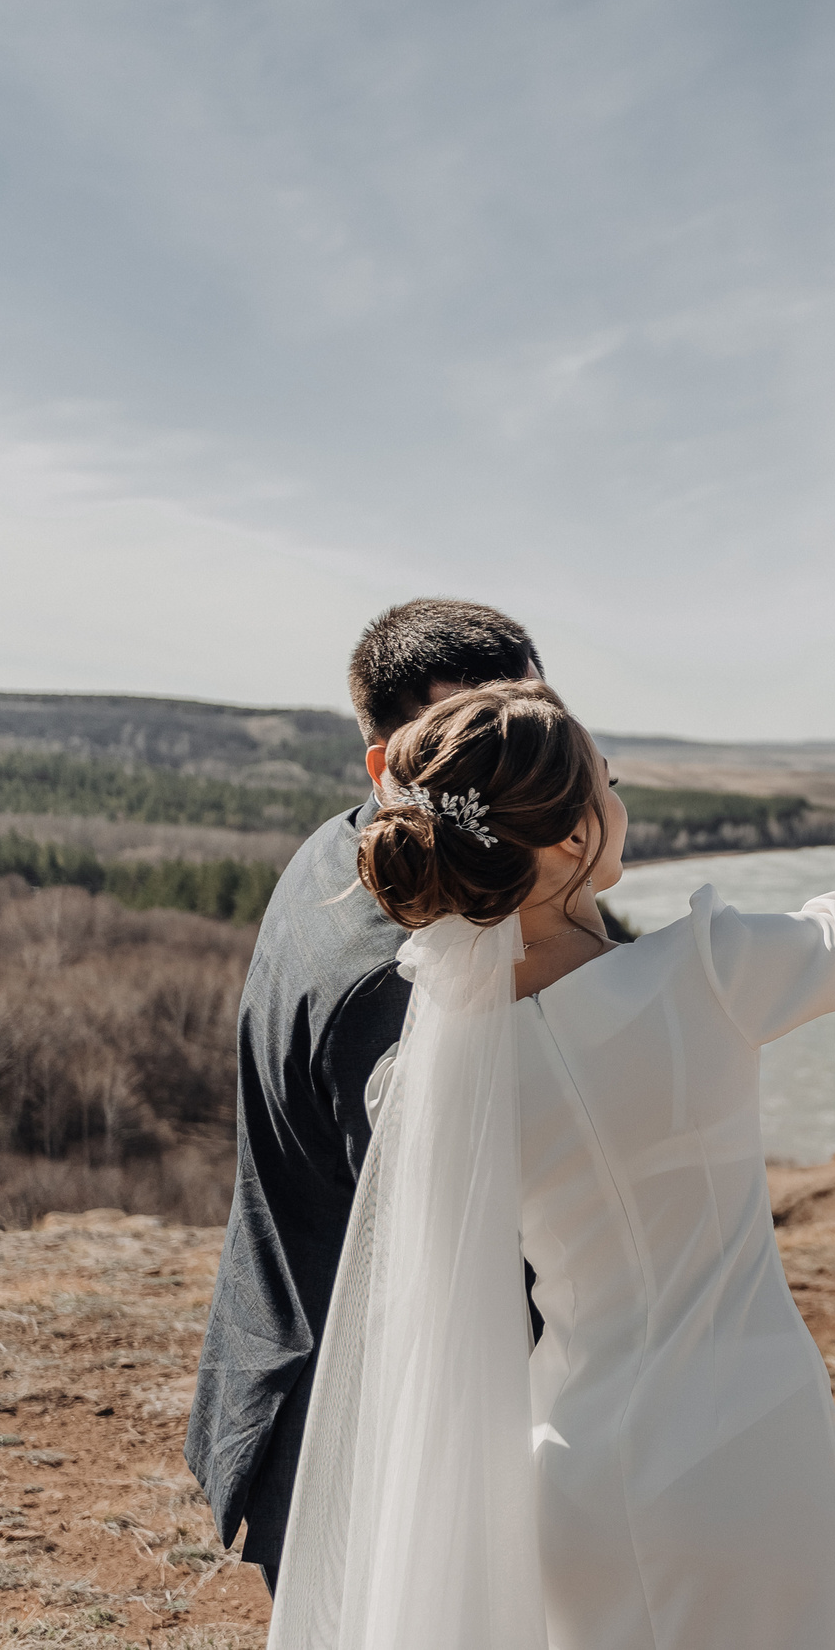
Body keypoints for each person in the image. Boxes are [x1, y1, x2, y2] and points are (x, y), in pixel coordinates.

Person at [265, 679, 835, 1650]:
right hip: (748, 1460)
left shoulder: (427, 1079)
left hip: (572, 1475)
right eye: (609, 781)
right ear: (567, 840)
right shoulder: (704, 975)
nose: (620, 800)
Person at [188, 600, 545, 1589]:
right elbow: (460, 1253)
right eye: (469, 743)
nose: (507, 769)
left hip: (288, 1372)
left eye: (521, 733)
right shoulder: (415, 976)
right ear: (386, 765)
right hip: (361, 1437)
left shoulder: (339, 849)